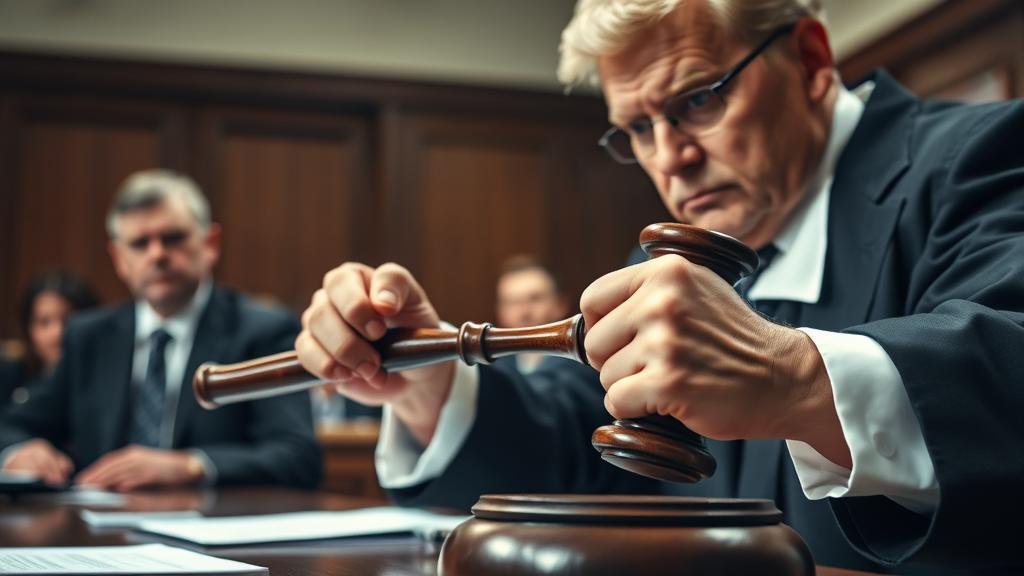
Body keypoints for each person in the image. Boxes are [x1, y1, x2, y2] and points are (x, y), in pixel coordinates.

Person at [295, 0, 1024, 571]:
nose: (669, 159)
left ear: (809, 58)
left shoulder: (980, 159)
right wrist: (428, 391)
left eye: (699, 100)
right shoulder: (688, 256)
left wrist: (794, 379)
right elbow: (587, 451)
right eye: (636, 130)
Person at [0, 169, 321, 491]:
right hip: (100, 526)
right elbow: (12, 425)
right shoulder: (89, 336)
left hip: (211, 525)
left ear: (210, 243)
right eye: (140, 244)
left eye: (173, 238)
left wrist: (191, 465)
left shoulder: (261, 330)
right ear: (119, 259)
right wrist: (22, 450)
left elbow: (297, 456)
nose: (157, 254)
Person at [0, 270, 99, 407]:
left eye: (68, 320)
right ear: (28, 328)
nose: (57, 333)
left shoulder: (103, 383)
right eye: (44, 322)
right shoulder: (12, 378)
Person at [493, 255, 570, 375]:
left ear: (560, 305)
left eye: (535, 299)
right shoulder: (494, 365)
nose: (524, 312)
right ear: (501, 312)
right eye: (513, 302)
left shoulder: (584, 360)